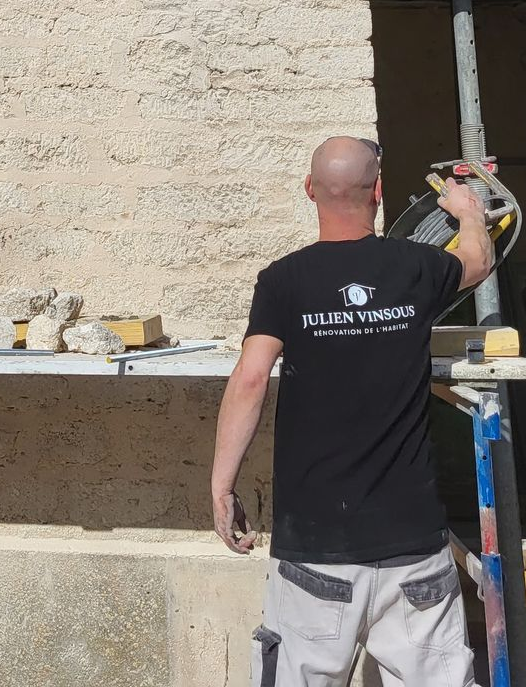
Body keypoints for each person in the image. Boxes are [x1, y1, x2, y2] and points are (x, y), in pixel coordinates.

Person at [210, 135, 493, 687]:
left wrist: (222, 485)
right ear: (379, 193)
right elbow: (477, 259)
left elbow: (250, 378)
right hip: (413, 545)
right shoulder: (417, 267)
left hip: (317, 547)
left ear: (310, 191)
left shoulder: (283, 281)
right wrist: (467, 212)